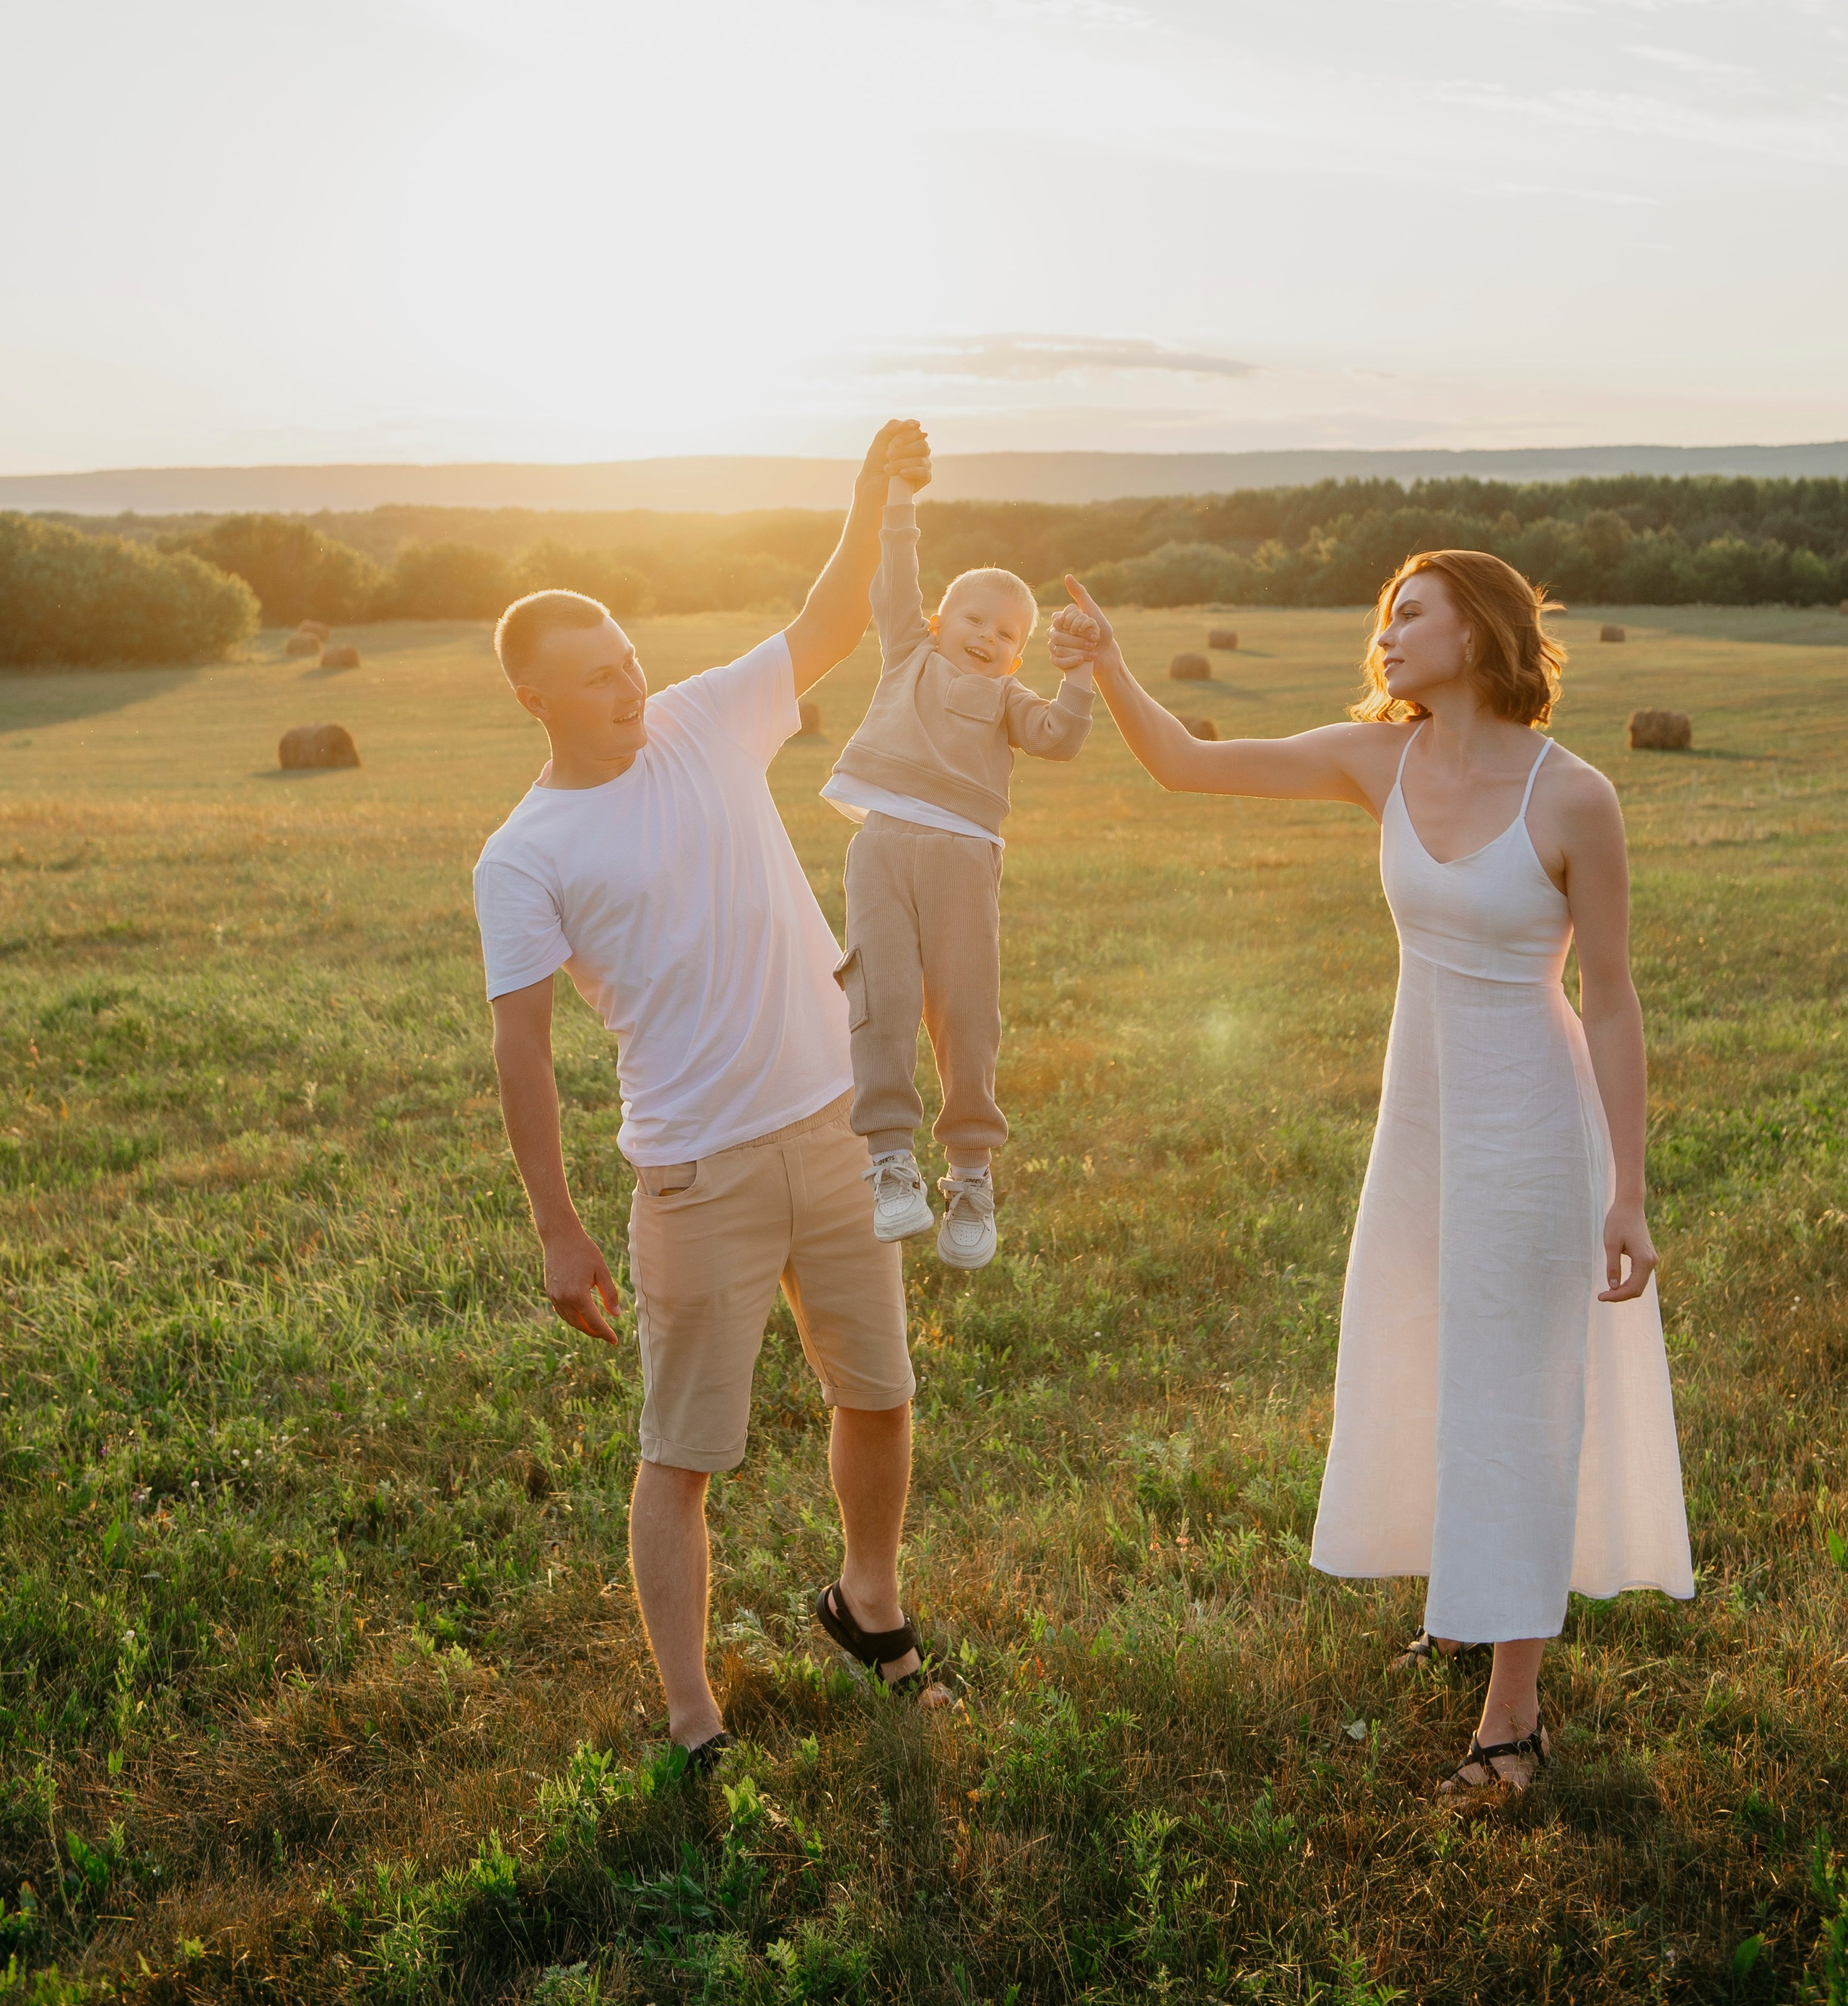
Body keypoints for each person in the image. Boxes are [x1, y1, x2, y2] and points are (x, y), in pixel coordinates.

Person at [1051, 551, 1694, 1799]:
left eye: (1411, 611)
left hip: (1530, 1123)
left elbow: (1611, 999)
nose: (1387, 634)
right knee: (1426, 1353)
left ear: (1481, 629)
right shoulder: (1375, 758)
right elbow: (1186, 761)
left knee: (1516, 1388)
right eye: (1383, 616)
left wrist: (1629, 1187)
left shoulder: (1576, 796)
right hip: (1422, 1123)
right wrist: (1113, 661)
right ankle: (1460, 1601)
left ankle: (1515, 1714)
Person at [472, 420, 949, 1767]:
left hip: (836, 1124)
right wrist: (558, 1227)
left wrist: (867, 499)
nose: (630, 684)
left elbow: (828, 617)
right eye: (597, 677)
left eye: (627, 657)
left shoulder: (701, 716)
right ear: (537, 700)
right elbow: (518, 1049)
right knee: (683, 1452)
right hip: (694, 1170)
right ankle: (694, 1715)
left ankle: (870, 1601)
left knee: (880, 1392)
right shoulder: (524, 856)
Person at [821, 471, 1094, 1271]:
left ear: (1018, 651)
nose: (987, 635)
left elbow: (1058, 737)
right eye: (973, 617)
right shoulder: (908, 651)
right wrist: (899, 503)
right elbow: (895, 575)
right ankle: (888, 1161)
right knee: (884, 995)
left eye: (1008, 632)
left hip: (965, 858)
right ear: (939, 621)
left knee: (965, 1010)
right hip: (882, 846)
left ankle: (971, 1176)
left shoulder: (1009, 698)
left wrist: (1078, 672)